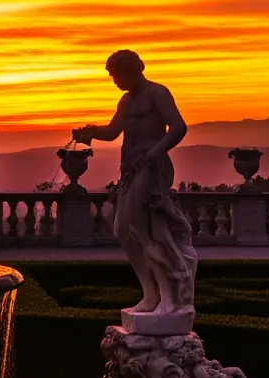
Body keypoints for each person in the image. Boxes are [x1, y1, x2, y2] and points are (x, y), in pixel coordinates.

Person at [73, 50, 196, 314]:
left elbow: (178, 127)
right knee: (122, 231)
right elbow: (112, 132)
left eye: (114, 75)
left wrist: (156, 151)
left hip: (152, 169)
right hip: (131, 169)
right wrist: (90, 131)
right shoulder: (126, 101)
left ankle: (168, 298)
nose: (113, 80)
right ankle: (151, 295)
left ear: (130, 70)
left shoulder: (158, 93)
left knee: (142, 231)